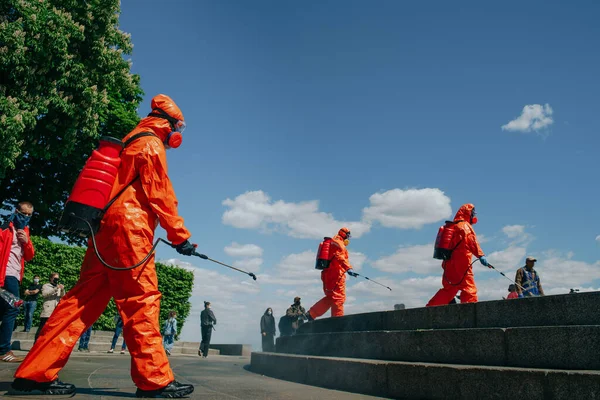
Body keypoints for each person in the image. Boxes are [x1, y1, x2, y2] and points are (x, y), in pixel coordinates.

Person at [12, 95, 196, 398]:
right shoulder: (151, 144)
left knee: (79, 303)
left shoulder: (128, 141)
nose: (179, 134)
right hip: (130, 232)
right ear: (169, 124)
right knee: (142, 301)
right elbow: (160, 194)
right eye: (180, 127)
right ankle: (154, 381)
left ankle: (34, 374)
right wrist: (180, 237)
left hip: (103, 230)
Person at [427, 204, 489, 306]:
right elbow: (471, 241)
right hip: (462, 263)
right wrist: (480, 255)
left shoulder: (453, 226)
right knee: (469, 289)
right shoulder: (465, 226)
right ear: (469, 213)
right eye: (472, 214)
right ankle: (470, 312)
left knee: (449, 290)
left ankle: (430, 309)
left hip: (448, 263)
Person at [0, 202, 35, 363]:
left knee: (5, 309)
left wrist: (26, 241)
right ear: (16, 211)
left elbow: (29, 256)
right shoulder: (5, 229)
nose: (26, 217)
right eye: (23, 213)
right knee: (13, 308)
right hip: (6, 274)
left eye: (29, 215)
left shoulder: (25, 231)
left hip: (15, 275)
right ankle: (4, 350)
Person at [307, 228, 356, 320]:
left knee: (331, 297)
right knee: (339, 298)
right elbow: (339, 257)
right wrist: (348, 268)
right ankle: (337, 321)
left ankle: (311, 314)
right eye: (348, 236)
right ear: (344, 234)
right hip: (336, 275)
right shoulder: (339, 243)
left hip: (328, 274)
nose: (349, 238)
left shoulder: (333, 242)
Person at [34, 273, 65, 342]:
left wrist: (62, 289)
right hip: (48, 310)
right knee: (42, 328)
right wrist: (55, 289)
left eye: (58, 278)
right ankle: (36, 344)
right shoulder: (46, 286)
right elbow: (45, 294)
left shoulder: (58, 286)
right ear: (51, 278)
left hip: (55, 310)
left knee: (52, 330)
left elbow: (63, 297)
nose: (56, 280)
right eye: (55, 278)